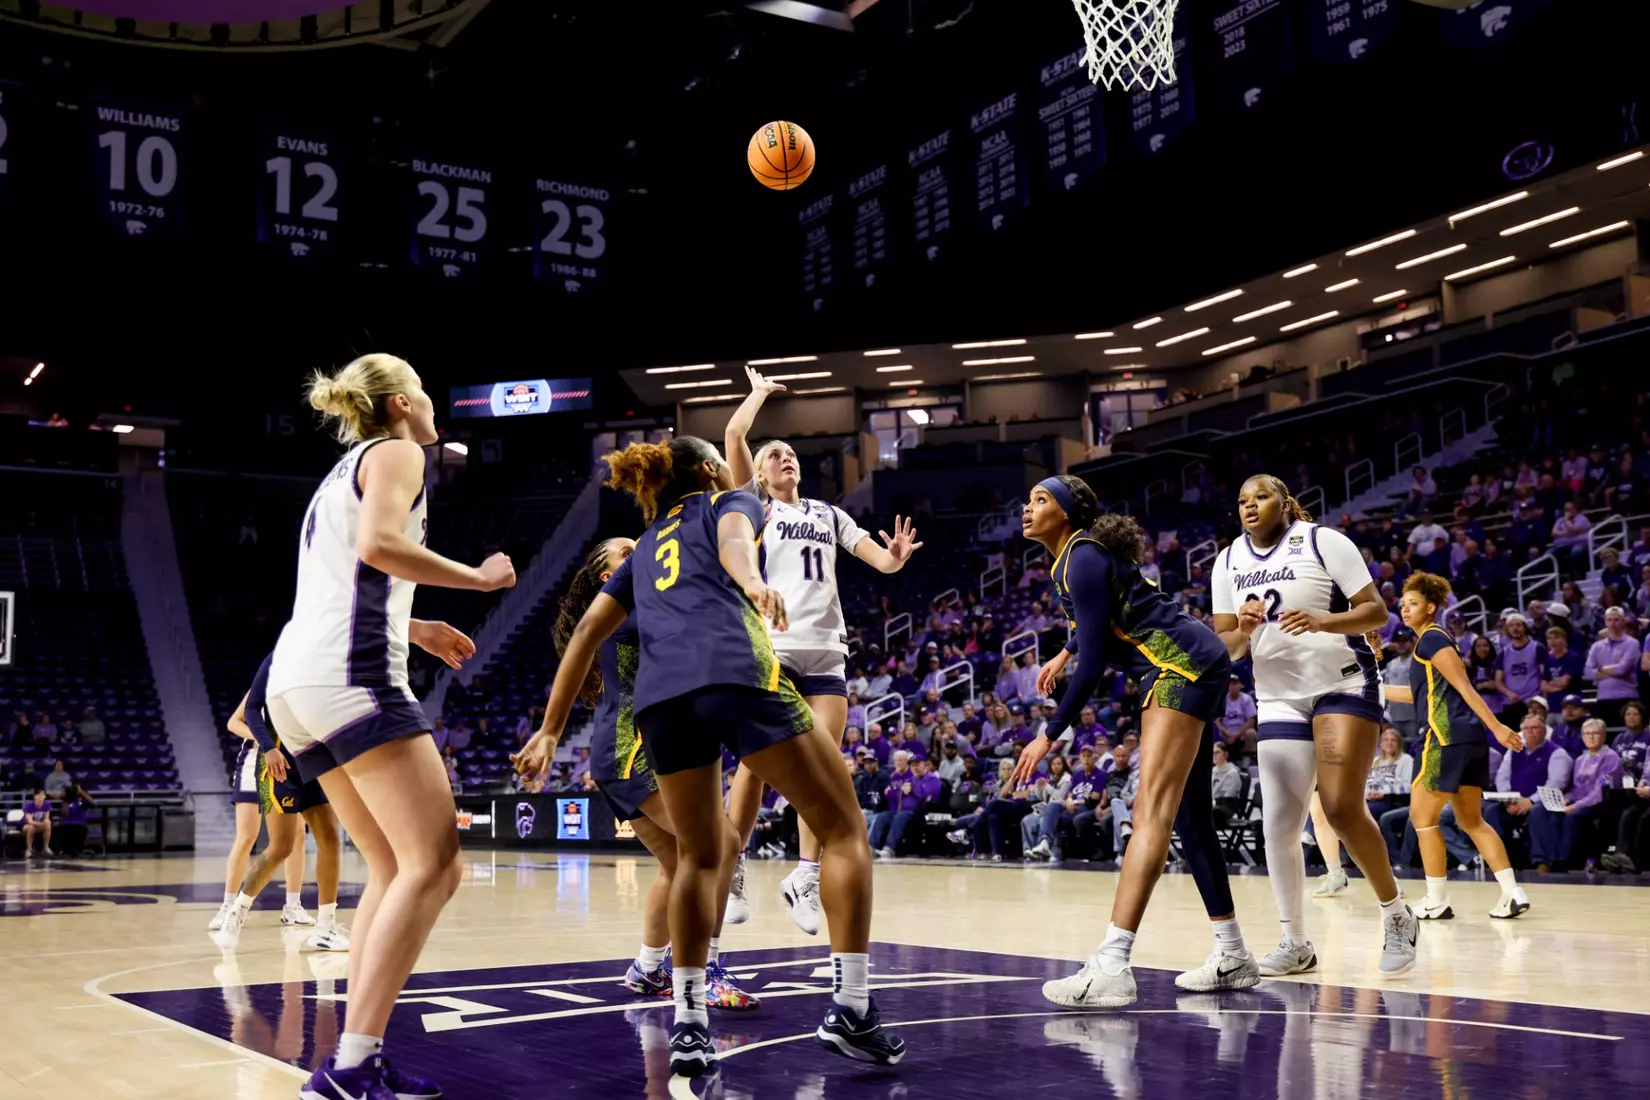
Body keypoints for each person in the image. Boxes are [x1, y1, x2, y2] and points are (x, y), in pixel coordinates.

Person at [514, 435, 902, 1075]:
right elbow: (732, 545)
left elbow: (585, 630)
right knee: (842, 831)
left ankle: (689, 1022)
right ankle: (853, 1007)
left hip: (663, 702)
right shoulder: (724, 501)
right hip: (737, 671)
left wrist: (553, 730)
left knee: (700, 855)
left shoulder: (642, 552)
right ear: (707, 471)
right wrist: (752, 582)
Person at [269, 354, 515, 1100]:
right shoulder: (403, 450)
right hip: (353, 678)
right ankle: (350, 1064)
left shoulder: (339, 472)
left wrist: (419, 622)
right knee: (436, 864)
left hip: (298, 683)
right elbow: (378, 548)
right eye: (430, 396)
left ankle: (354, 1058)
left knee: (391, 867)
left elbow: (349, 573)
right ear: (404, 402)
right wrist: (474, 579)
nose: (436, 410)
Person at [1016, 475, 1258, 1008]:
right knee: (1190, 819)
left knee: (1150, 813)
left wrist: (1048, 734)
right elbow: (1105, 619)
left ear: (1067, 514)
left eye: (1039, 500)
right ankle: (1233, 952)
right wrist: (1065, 650)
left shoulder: (1079, 556)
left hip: (1181, 666)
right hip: (1196, 659)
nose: (1027, 508)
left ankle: (1112, 965)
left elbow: (1097, 660)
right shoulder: (1079, 558)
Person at [722, 367, 922, 936]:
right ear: (759, 473)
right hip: (774, 645)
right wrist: (759, 395)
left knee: (824, 768)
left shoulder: (828, 514)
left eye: (790, 453)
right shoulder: (755, 508)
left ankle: (804, 876)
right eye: (776, 454)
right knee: (757, 765)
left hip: (826, 652)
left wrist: (897, 557)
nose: (785, 457)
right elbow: (735, 439)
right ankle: (733, 864)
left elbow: (878, 561)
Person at [1209, 475, 1417, 978]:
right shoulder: (1227, 560)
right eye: (1241, 500)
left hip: (1341, 684)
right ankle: (1294, 941)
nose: (1250, 506)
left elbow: (1377, 612)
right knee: (1277, 823)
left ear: (1284, 502)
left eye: (1260, 497)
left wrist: (1323, 621)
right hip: (1278, 696)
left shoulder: (1324, 541)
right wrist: (1245, 627)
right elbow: (1228, 649)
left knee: (1341, 808)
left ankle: (1396, 913)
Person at [542, 538, 757, 1009]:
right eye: (625, 549)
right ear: (608, 576)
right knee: (717, 846)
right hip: (632, 749)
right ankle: (708, 972)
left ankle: (647, 967)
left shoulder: (643, 603)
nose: (638, 545)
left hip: (622, 750)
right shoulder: (631, 607)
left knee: (678, 864)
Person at [1382, 573, 1531, 921]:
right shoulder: (1431, 642)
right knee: (1471, 820)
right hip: (1464, 739)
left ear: (1431, 607)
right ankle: (1512, 892)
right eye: (1403, 604)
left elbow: (1465, 686)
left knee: (1422, 818)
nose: (1405, 609)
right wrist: (1374, 687)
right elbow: (1419, 695)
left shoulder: (1432, 639)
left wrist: (1497, 726)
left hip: (1443, 737)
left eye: (1413, 604)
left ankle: (1436, 899)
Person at [211, 652, 352, 953]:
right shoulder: (279, 658)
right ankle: (236, 913)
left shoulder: (331, 661)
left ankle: (325, 926)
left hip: (314, 760)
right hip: (278, 762)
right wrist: (267, 747)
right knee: (281, 847)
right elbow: (250, 709)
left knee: (329, 837)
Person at [212, 699, 310, 934]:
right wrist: (260, 737)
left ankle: (293, 906)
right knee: (246, 837)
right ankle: (227, 906)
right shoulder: (263, 685)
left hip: (286, 766)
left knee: (297, 837)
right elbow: (233, 722)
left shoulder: (301, 685)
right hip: (253, 763)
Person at [1526, 719, 1620, 872]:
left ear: (1603, 736)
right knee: (1543, 811)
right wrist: (1565, 799)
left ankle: (1563, 861)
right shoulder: (1581, 760)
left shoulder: (1611, 757)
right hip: (1579, 801)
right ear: (1582, 737)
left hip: (1601, 803)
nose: (1591, 737)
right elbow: (1577, 788)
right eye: (1587, 734)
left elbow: (1599, 792)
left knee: (1571, 816)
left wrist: (1575, 805)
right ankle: (1546, 859)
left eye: (1595, 733)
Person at [1583, 607, 1642, 728]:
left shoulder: (1632, 643)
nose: (1613, 623)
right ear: (1605, 622)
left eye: (1616, 619)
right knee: (1607, 736)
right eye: (1609, 620)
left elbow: (1622, 669)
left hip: (1627, 697)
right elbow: (1587, 672)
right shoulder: (1596, 646)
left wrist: (1600, 669)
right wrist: (1613, 670)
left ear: (1623, 622)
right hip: (1603, 698)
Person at [1492, 613, 1542, 729]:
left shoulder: (1537, 648)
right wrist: (1509, 694)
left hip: (1532, 702)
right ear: (1507, 630)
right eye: (1511, 626)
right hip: (1511, 703)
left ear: (1525, 627)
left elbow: (1544, 675)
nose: (1515, 628)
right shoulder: (1503, 653)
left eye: (1518, 625)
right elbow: (1498, 681)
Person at [1214, 675, 1258, 760]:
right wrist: (1226, 732)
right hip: (1226, 732)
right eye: (1229, 684)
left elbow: (1251, 720)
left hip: (1242, 731)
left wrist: (1237, 733)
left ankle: (1247, 761)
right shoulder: (1223, 699)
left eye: (1234, 684)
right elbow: (1217, 720)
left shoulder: (1246, 699)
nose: (1232, 686)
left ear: (1240, 685)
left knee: (1251, 733)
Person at [20, 789, 52, 857]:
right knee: (31, 828)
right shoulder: (29, 805)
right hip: (26, 825)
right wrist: (41, 824)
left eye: (43, 795)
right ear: (35, 797)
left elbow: (46, 818)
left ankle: (46, 848)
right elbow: (29, 821)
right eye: (39, 795)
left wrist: (45, 822)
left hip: (39, 825)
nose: (41, 796)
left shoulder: (47, 804)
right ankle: (29, 850)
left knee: (48, 823)